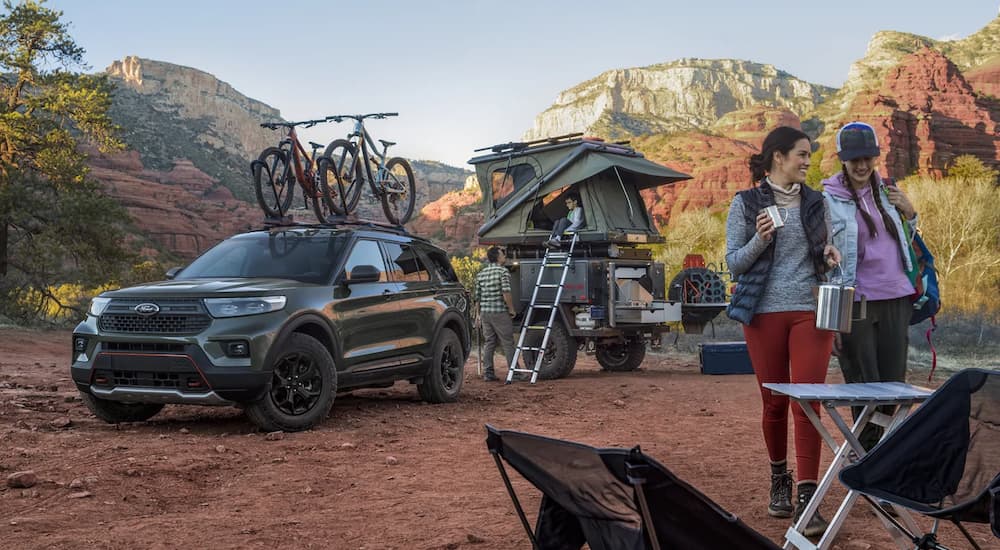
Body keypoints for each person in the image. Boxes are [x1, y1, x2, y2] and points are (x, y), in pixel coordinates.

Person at [725, 126, 841, 537]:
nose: (808, 162)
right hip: (764, 313)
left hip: (810, 311)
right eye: (802, 154)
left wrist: (829, 254)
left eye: (810, 155)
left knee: (807, 403)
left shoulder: (817, 202)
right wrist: (760, 239)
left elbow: (821, 255)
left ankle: (808, 496)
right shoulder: (745, 202)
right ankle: (780, 479)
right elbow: (734, 264)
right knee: (774, 403)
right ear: (778, 157)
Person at [822, 122, 917, 451]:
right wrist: (834, 322)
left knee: (894, 388)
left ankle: (885, 461)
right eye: (854, 160)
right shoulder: (828, 199)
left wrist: (911, 213)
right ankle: (866, 459)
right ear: (841, 160)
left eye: (867, 158)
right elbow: (827, 262)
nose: (862, 166)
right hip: (857, 302)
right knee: (863, 388)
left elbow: (907, 244)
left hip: (897, 299)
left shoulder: (889, 191)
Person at [473, 246, 517, 382]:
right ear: (498, 257)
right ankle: (515, 373)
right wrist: (511, 309)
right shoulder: (502, 272)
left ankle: (488, 373)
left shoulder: (482, 273)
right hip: (499, 312)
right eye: (502, 254)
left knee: (489, 342)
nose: (504, 256)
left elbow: (477, 297)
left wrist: (478, 315)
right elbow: (506, 292)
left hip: (485, 313)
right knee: (508, 342)